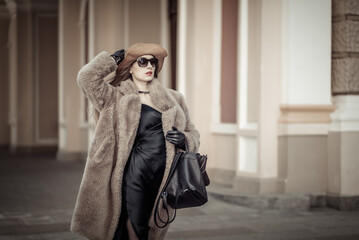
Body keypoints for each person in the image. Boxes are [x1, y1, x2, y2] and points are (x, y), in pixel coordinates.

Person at [70, 43, 200, 240]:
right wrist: (111, 61)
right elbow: (86, 79)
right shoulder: (115, 97)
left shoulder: (174, 98)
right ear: (130, 66)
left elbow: (192, 131)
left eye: (153, 62)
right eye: (142, 61)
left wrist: (186, 139)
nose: (149, 66)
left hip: (164, 174)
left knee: (150, 225)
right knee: (135, 224)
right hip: (134, 172)